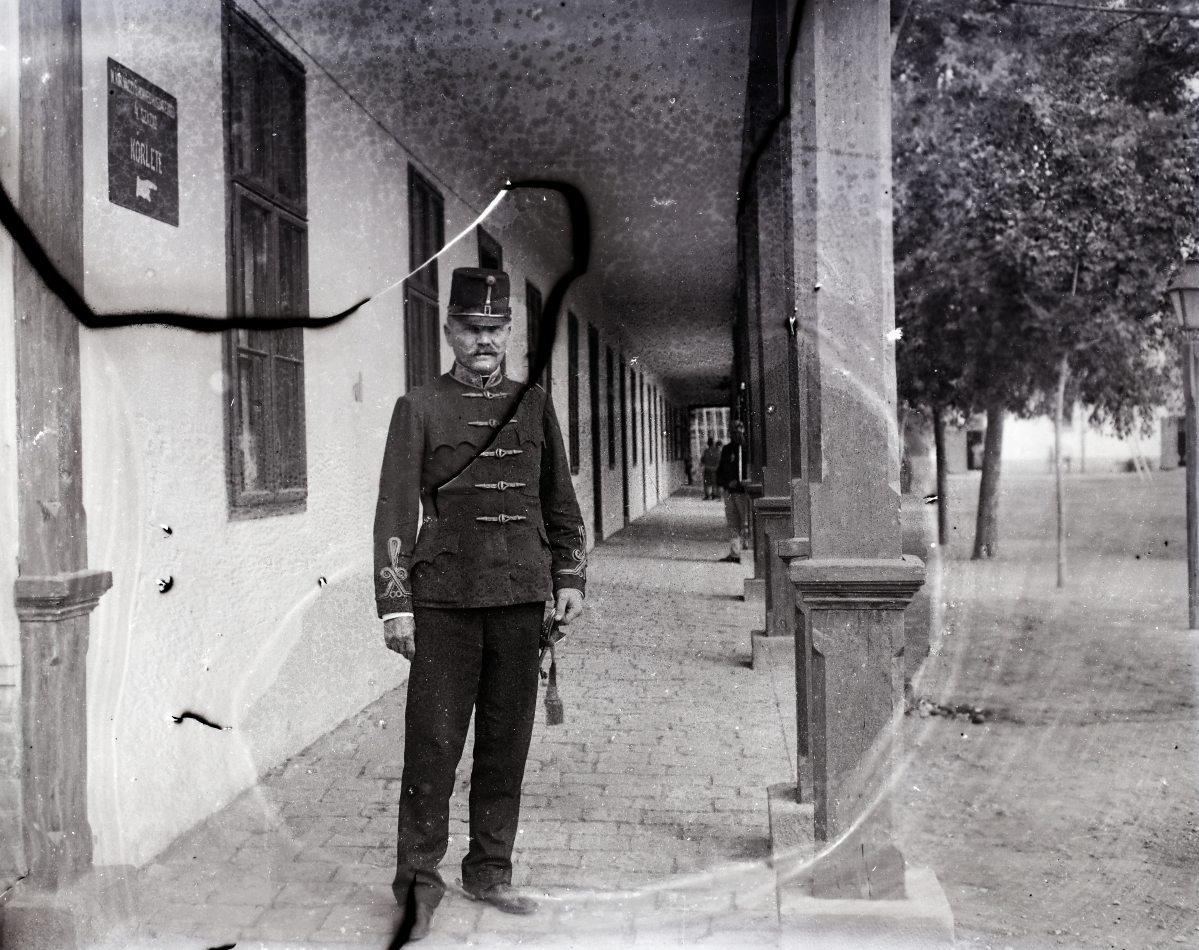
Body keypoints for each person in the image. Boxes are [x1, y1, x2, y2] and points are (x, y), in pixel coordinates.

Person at [373, 267, 586, 941]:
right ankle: (417, 887)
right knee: (432, 746)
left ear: (509, 332)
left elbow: (558, 498)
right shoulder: (418, 407)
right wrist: (395, 603)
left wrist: (570, 578)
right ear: (449, 331)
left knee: (505, 742)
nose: (484, 341)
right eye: (471, 329)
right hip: (443, 600)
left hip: (520, 597)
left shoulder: (534, 404)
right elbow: (393, 509)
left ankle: (490, 870)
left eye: (495, 329)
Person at [716, 420, 748, 563]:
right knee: (732, 523)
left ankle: (746, 552)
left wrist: (742, 482)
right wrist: (726, 483)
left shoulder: (747, 449)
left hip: (743, 492)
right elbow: (721, 470)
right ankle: (735, 553)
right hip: (730, 491)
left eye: (738, 432)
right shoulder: (727, 449)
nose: (736, 435)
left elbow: (751, 469)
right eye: (733, 432)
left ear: (743, 431)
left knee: (745, 522)